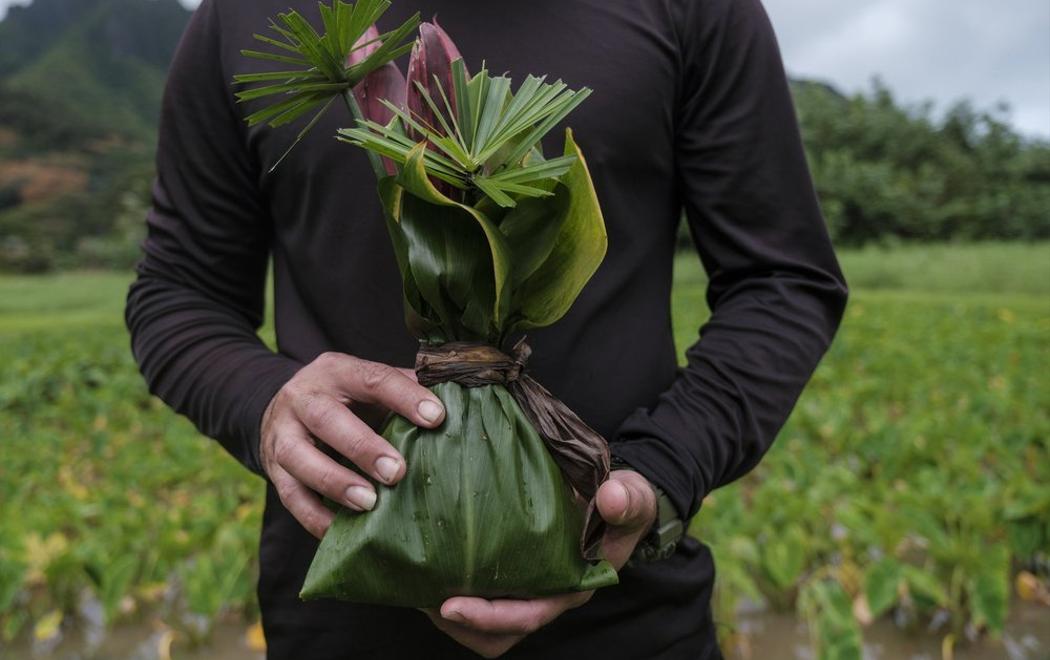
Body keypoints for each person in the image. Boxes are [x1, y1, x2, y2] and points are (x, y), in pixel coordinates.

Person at [125, 0, 848, 657]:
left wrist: (660, 469)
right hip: (339, 611)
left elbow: (783, 283)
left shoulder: (694, 10)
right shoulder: (246, 16)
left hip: (629, 613)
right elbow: (177, 293)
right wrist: (267, 404)